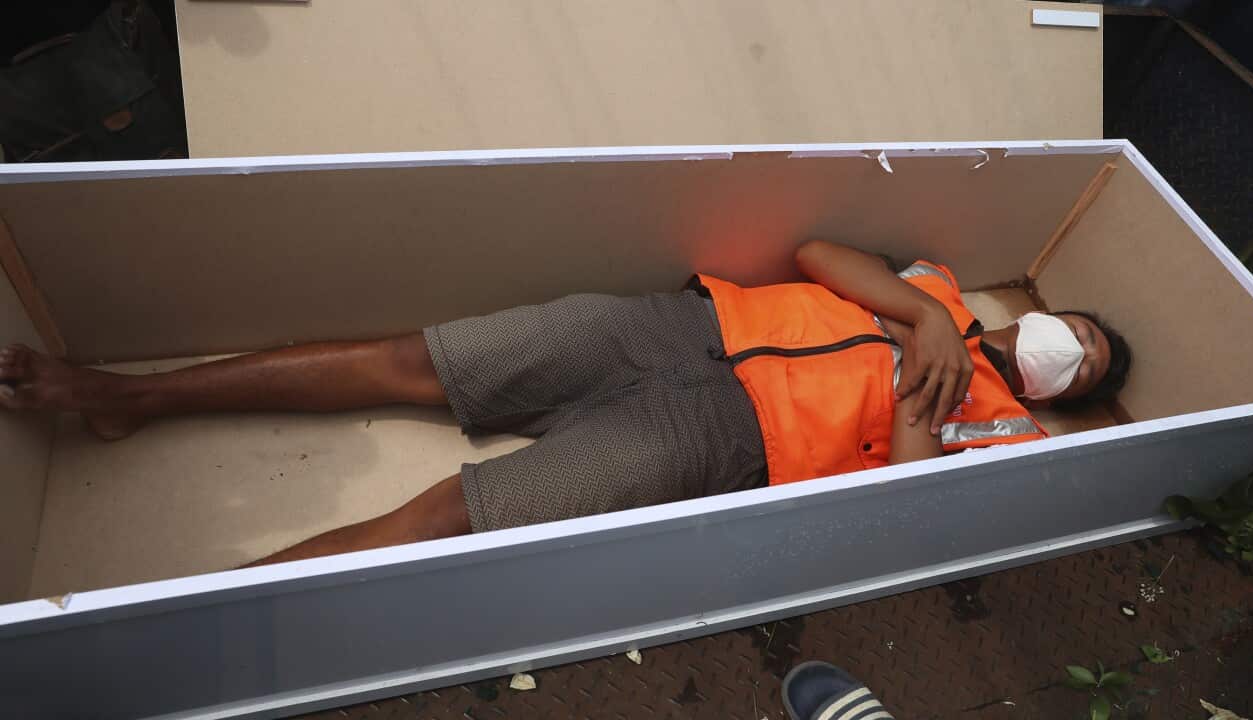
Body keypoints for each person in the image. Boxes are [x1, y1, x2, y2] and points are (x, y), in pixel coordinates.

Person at [0, 241, 1131, 566]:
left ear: (1065, 399)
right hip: (683, 326)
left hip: (719, 440)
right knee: (412, 358)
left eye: (1079, 365)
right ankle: (125, 398)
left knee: (456, 517)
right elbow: (817, 251)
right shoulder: (933, 294)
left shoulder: (1008, 428)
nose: (1062, 349)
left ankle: (171, 621)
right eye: (1073, 329)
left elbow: (902, 507)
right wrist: (928, 321)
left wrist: (916, 401)